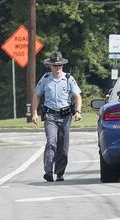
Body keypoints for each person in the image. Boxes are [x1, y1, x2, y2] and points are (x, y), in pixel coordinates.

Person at [32, 50, 83, 182]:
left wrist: (78, 111)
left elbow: (77, 95)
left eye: (59, 65)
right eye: (55, 65)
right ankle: (48, 171)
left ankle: (60, 172)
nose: (57, 68)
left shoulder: (68, 78)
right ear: (50, 66)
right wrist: (34, 112)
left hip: (65, 116)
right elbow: (37, 95)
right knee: (51, 142)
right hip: (50, 116)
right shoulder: (45, 78)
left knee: (63, 147)